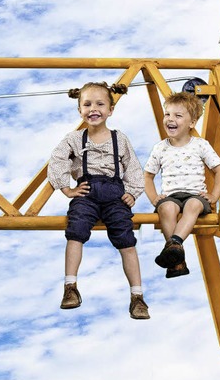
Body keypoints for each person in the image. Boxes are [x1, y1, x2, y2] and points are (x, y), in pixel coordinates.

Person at [47, 81, 150, 319]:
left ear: (111, 110)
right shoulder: (74, 138)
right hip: (87, 192)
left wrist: (133, 192)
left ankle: (137, 296)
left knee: (126, 239)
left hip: (115, 195)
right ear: (79, 110)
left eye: (100, 104)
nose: (93, 109)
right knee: (76, 231)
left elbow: (133, 168)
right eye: (87, 104)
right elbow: (57, 159)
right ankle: (70, 287)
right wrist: (66, 188)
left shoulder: (119, 139)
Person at [144, 92, 220, 278]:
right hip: (171, 195)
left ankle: (174, 244)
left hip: (195, 195)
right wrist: (154, 198)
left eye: (178, 115)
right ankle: (177, 258)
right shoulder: (160, 148)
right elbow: (147, 176)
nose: (170, 119)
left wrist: (214, 195)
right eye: (168, 114)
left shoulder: (200, 145)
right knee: (166, 208)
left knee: (193, 205)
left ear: (192, 123)